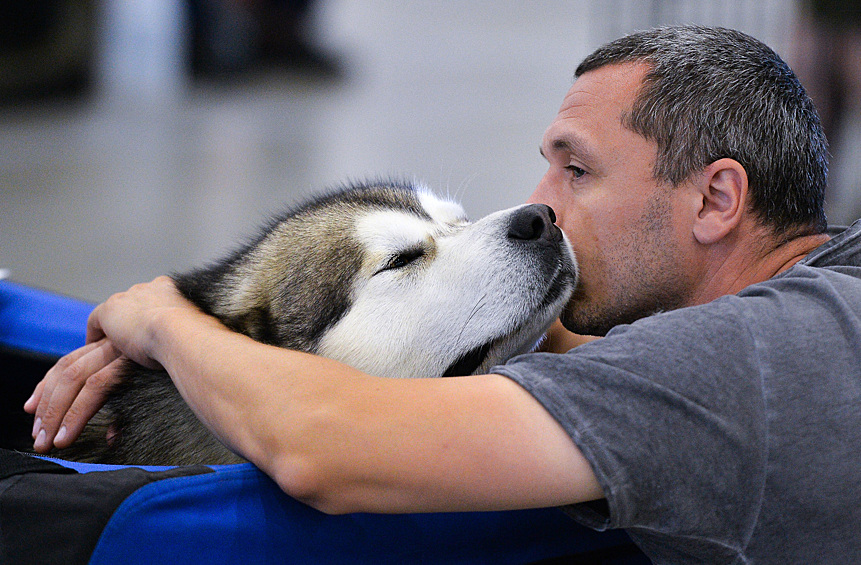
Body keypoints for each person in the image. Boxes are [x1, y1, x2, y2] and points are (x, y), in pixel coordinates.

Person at [25, 25, 861, 563]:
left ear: (715, 199)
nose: (541, 202)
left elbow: (322, 449)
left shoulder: (731, 372)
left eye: (577, 169)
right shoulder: (819, 302)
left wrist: (163, 317)